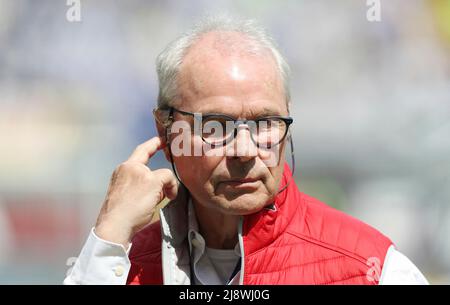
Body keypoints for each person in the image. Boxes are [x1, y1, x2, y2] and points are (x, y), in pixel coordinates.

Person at [64, 15, 428, 285]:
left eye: (265, 123)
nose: (244, 150)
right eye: (217, 126)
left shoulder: (371, 269)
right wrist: (108, 236)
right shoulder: (119, 266)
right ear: (166, 131)